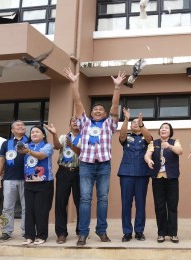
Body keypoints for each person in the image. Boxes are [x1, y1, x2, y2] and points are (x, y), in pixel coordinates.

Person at [64, 67, 125, 246]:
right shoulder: (84, 123)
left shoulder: (109, 124)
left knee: (103, 199)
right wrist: (74, 83)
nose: (98, 110)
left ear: (105, 114)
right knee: (85, 199)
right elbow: (77, 103)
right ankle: (83, 233)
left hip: (104, 165)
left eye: (101, 109)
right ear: (90, 113)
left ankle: (101, 230)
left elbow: (115, 106)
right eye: (95, 109)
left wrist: (117, 88)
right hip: (86, 165)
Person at [44, 118, 81, 244]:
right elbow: (57, 146)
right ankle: (61, 233)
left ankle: (81, 231)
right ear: (69, 124)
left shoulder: (86, 137)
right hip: (64, 172)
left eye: (79, 121)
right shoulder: (63, 136)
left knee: (81, 202)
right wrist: (54, 134)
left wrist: (73, 146)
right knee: (60, 203)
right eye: (73, 121)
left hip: (80, 172)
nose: (76, 122)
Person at [144, 122, 183, 243]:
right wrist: (149, 160)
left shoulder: (175, 141)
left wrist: (169, 146)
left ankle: (173, 233)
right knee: (160, 206)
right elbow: (147, 155)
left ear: (170, 132)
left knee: (172, 206)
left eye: (166, 128)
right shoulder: (153, 143)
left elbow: (180, 151)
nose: (163, 129)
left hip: (171, 178)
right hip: (157, 178)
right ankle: (161, 233)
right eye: (162, 128)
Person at [118, 108, 153, 242]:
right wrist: (126, 119)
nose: (135, 124)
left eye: (137, 122)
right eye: (133, 123)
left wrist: (142, 124)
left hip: (142, 174)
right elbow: (121, 136)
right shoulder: (126, 137)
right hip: (126, 174)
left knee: (140, 203)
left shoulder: (145, 137)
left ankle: (139, 231)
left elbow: (150, 139)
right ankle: (127, 232)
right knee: (126, 204)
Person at [19, 125, 54, 245]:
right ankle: (29, 236)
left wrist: (27, 151)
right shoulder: (27, 145)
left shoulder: (47, 146)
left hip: (44, 182)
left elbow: (41, 156)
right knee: (29, 210)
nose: (33, 134)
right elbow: (18, 150)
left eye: (37, 132)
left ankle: (41, 236)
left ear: (43, 135)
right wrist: (20, 146)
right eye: (32, 132)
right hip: (29, 181)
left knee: (41, 210)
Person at [0, 120, 27, 242]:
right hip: (9, 179)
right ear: (12, 130)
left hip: (27, 180)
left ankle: (26, 231)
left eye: (23, 125)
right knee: (7, 207)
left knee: (26, 207)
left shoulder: (29, 141)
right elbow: (1, 161)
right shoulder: (6, 143)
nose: (21, 126)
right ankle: (7, 232)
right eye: (17, 125)